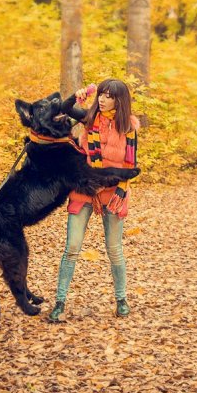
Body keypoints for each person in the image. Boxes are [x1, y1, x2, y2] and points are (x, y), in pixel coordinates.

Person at [48, 79, 139, 323]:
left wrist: (121, 191)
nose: (102, 99)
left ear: (119, 100)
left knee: (114, 250)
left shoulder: (128, 126)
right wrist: (79, 96)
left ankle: (121, 300)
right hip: (84, 187)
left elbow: (131, 164)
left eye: (108, 96)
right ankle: (60, 302)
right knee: (72, 248)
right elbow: (65, 108)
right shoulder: (90, 118)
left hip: (114, 192)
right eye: (101, 94)